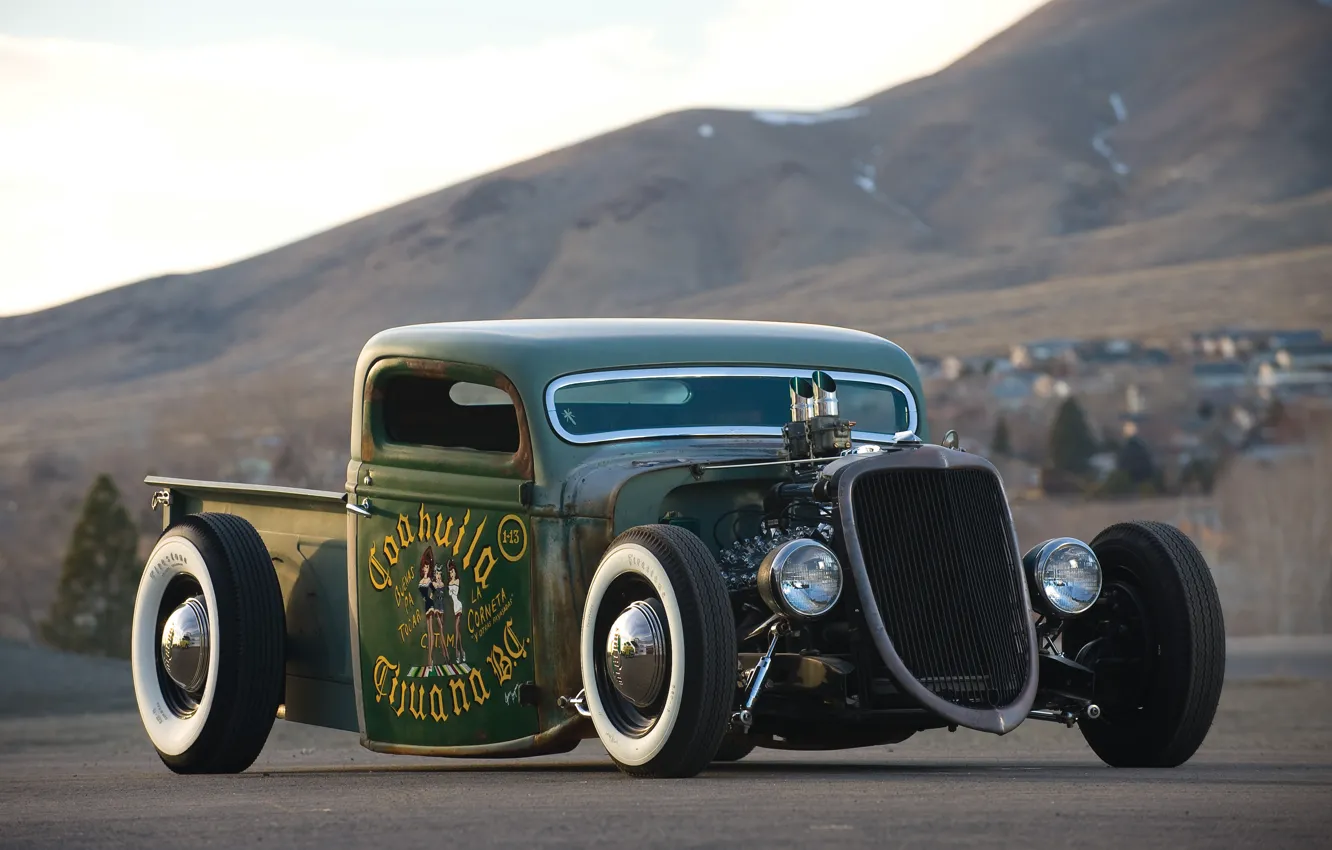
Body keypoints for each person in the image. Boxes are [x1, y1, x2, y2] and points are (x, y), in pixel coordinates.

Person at [446, 559, 465, 665]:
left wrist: (451, 590)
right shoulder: (449, 582)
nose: (451, 573)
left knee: (456, 629)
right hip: (453, 606)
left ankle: (457, 652)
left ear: (455, 572)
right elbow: (449, 594)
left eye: (453, 572)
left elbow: (455, 593)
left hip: (458, 605)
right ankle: (462, 651)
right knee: (458, 630)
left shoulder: (457, 581)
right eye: (450, 572)